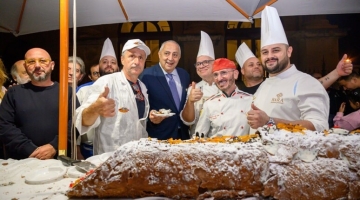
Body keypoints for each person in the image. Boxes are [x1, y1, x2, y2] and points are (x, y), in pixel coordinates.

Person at [247, 6, 329, 132]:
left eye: (276, 50)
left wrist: (270, 121)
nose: (270, 56)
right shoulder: (264, 85)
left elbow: (318, 126)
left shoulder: (306, 82)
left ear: (289, 51)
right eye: (265, 52)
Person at [75, 39, 150, 155]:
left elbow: (138, 123)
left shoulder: (142, 87)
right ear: (122, 60)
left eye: (141, 57)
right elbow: (82, 120)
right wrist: (95, 108)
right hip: (109, 156)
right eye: (132, 56)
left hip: (136, 155)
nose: (137, 61)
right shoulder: (106, 82)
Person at [0, 48, 77, 159]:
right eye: (31, 62)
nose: (37, 65)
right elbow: (4, 125)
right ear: (26, 67)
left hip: (59, 159)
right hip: (23, 159)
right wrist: (30, 150)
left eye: (42, 61)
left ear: (52, 65)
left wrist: (54, 145)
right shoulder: (13, 93)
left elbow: (76, 122)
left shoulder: (66, 92)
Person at [75, 38, 119, 158]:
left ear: (118, 68)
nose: (109, 65)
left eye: (113, 62)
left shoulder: (125, 90)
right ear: (99, 68)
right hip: (89, 149)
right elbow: (75, 121)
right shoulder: (83, 91)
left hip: (117, 148)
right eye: (104, 62)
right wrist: (77, 149)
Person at [140, 40, 190, 140]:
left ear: (179, 57)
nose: (170, 58)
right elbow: (140, 106)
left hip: (183, 136)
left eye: (175, 55)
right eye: (167, 53)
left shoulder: (184, 75)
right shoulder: (146, 75)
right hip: (159, 136)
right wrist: (151, 116)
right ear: (159, 54)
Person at [195, 58, 252, 137]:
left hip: (242, 148)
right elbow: (200, 135)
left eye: (223, 73)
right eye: (215, 75)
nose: (219, 78)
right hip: (215, 148)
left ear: (235, 74)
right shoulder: (209, 104)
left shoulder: (250, 100)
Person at [180, 31, 220, 136]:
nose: (201, 66)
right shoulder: (193, 89)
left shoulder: (225, 86)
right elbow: (188, 121)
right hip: (198, 141)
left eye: (206, 62)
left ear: (215, 63)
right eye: (198, 63)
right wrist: (190, 101)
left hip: (222, 139)